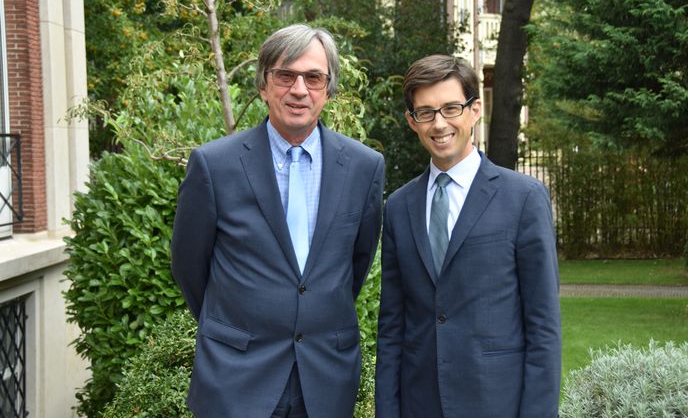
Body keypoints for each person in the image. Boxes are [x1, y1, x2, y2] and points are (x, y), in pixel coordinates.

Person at [171, 24, 385, 418]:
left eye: (313, 77)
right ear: (264, 85)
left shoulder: (364, 167)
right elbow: (189, 266)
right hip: (236, 378)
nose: (299, 89)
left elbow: (355, 264)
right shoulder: (214, 165)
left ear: (328, 89)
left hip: (324, 379)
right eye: (285, 75)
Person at [375, 54, 561, 418]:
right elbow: (392, 328)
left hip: (497, 403)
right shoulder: (399, 207)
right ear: (412, 122)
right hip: (419, 405)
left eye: (451, 108)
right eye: (426, 112)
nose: (439, 123)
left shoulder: (523, 199)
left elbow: (543, 328)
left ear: (475, 110)